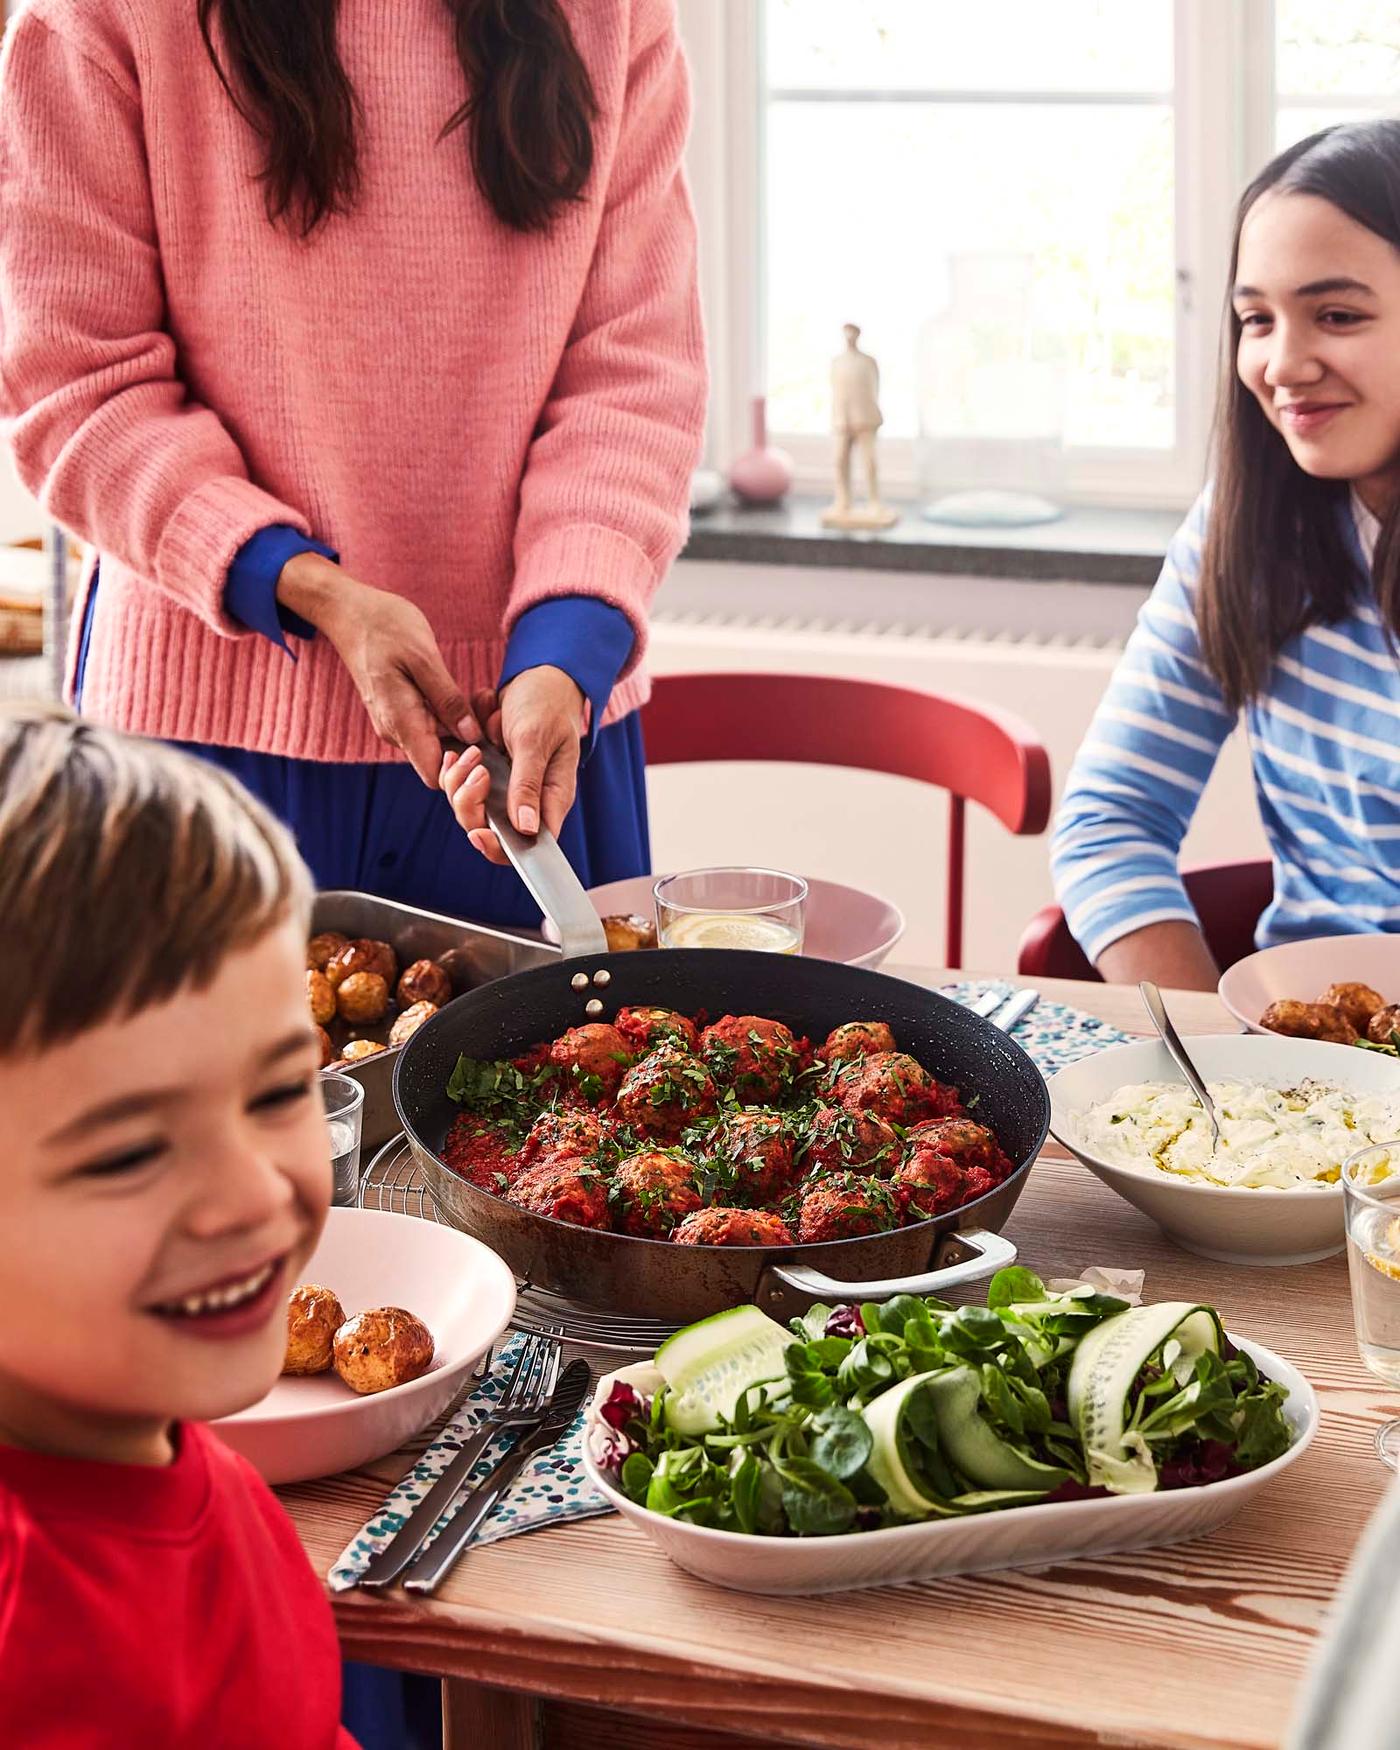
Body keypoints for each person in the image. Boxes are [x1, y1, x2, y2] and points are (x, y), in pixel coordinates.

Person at [0, 0, 705, 922]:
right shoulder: (101, 19)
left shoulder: (612, 17)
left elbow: (635, 371)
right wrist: (317, 593)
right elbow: (77, 386)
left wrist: (565, 652)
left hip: (532, 724)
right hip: (210, 740)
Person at [0, 705, 355, 1747]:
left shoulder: (171, 1452)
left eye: (281, 1087)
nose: (250, 1195)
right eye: (127, 1151)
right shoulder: (32, 1647)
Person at [1054, 119, 1400, 990]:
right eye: (1256, 319)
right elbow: (1111, 819)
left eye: (1337, 315)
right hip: (1308, 1078)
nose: (1282, 364)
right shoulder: (1243, 529)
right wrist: (1218, 1067)